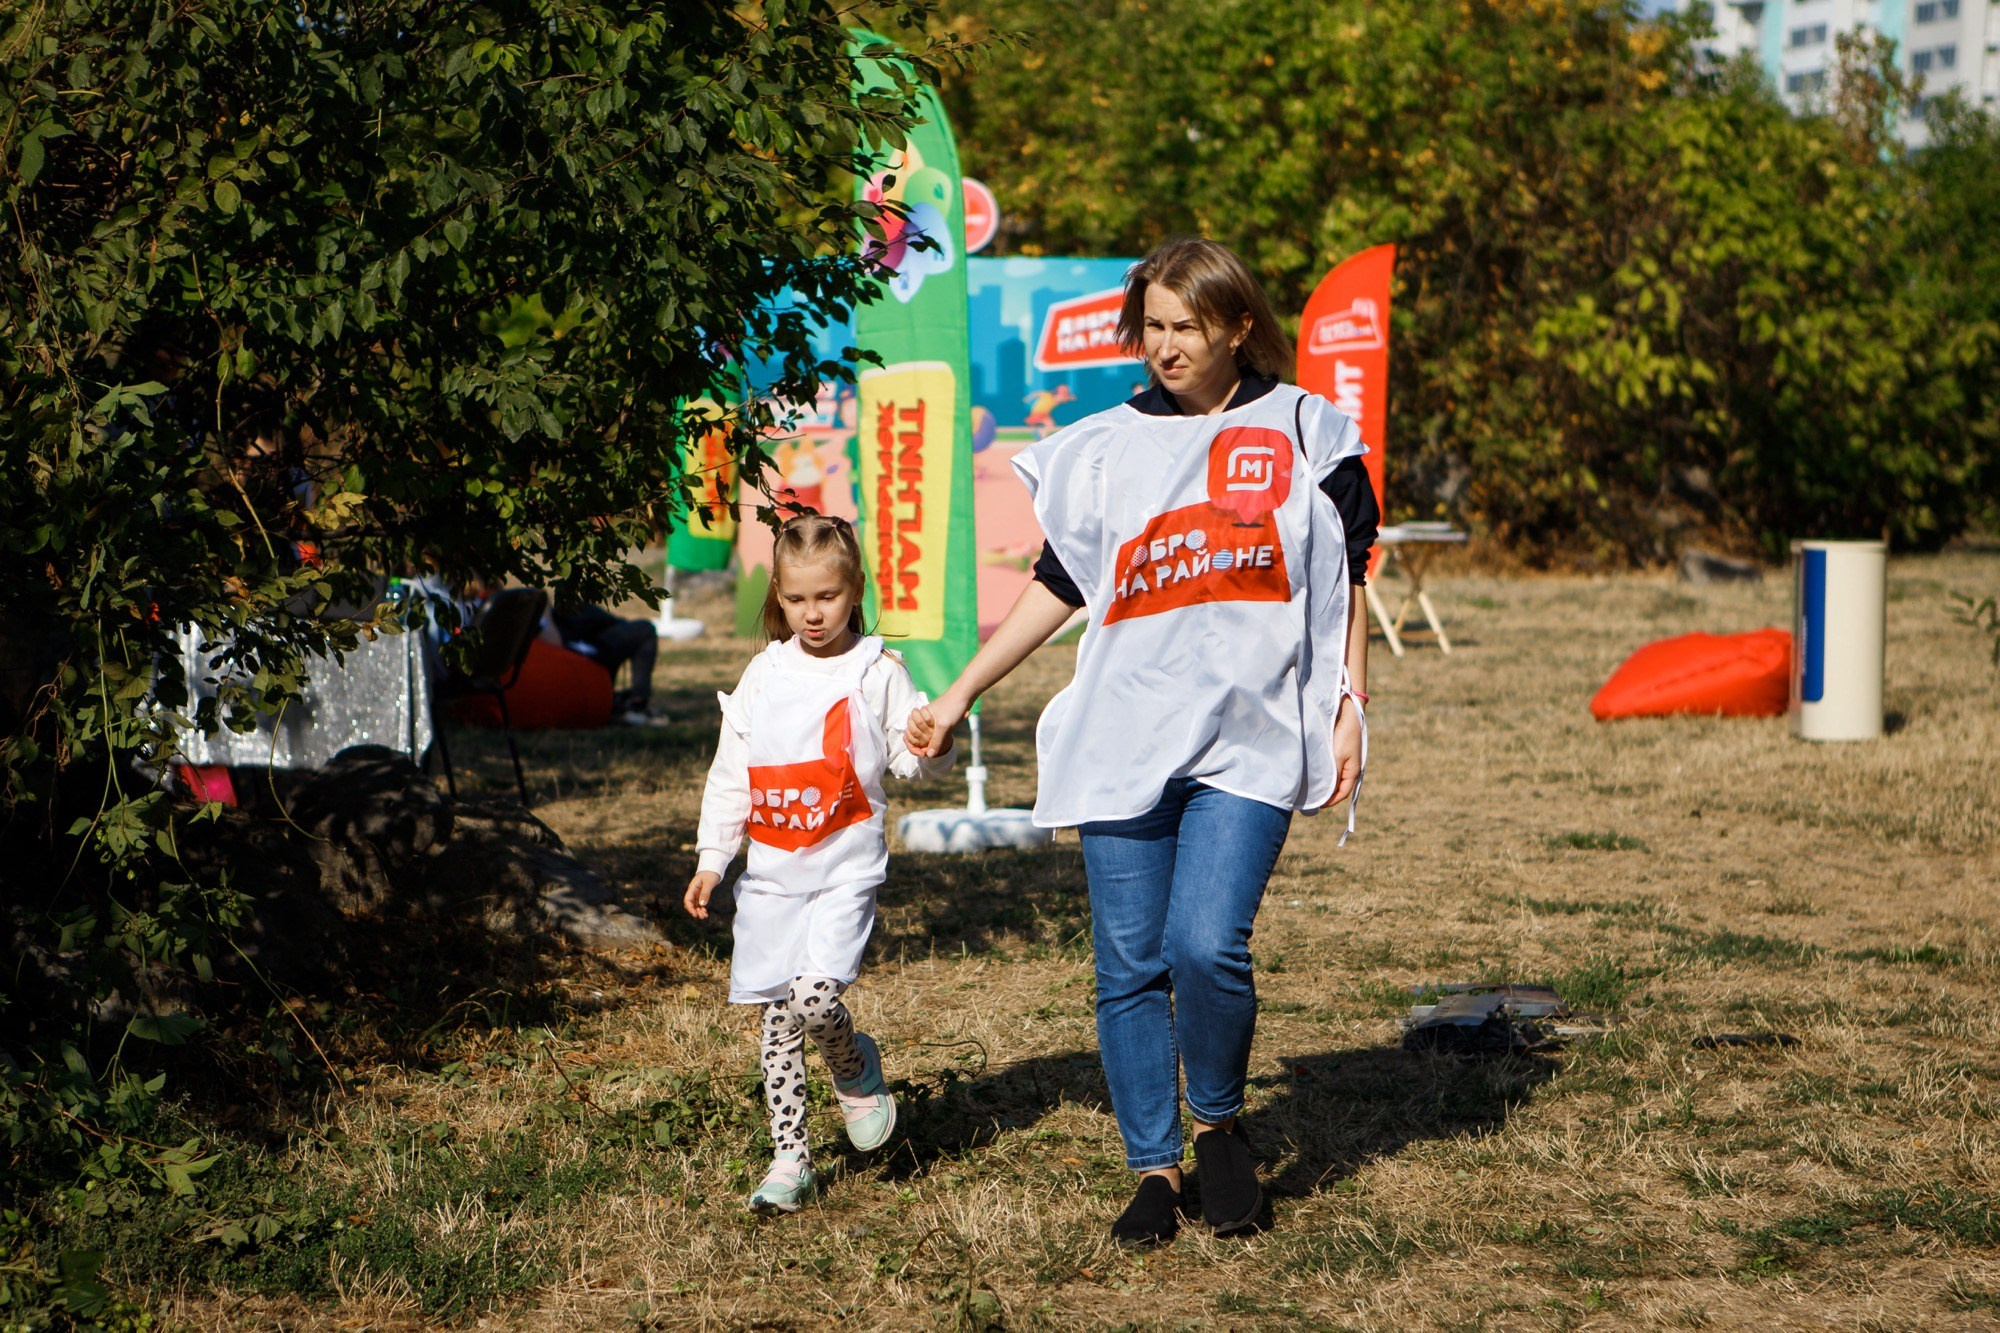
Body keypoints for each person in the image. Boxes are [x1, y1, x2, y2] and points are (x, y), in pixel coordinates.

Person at [907, 237, 1375, 1246]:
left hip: (1253, 732)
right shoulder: (1097, 446)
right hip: (1121, 733)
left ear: (1237, 325)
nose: (1163, 347)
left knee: (1204, 943)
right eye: (1151, 327)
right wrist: (955, 697)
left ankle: (1217, 1121)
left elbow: (1351, 575)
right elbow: (1058, 585)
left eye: (1185, 327)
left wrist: (1348, 704)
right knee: (1126, 962)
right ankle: (1153, 1169)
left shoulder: (1305, 428)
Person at [683, 514, 955, 1214]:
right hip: (773, 876)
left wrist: (929, 741)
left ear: (854, 588)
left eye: (828, 597)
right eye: (799, 598)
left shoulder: (876, 668)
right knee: (775, 1018)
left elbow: (907, 754)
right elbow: (731, 771)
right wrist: (715, 857)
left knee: (811, 997)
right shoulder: (764, 673)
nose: (813, 613)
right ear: (778, 592)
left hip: (843, 871)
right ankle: (790, 1158)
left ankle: (852, 1063)